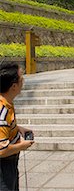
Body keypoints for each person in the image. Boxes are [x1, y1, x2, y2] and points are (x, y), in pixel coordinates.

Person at [0, 61, 34, 191]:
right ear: (14, 86)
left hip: (11, 162)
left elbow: (6, 126)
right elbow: (1, 150)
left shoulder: (7, 101)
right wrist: (23, 145)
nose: (23, 81)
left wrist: (18, 128)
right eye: (21, 79)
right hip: (4, 165)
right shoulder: (2, 111)